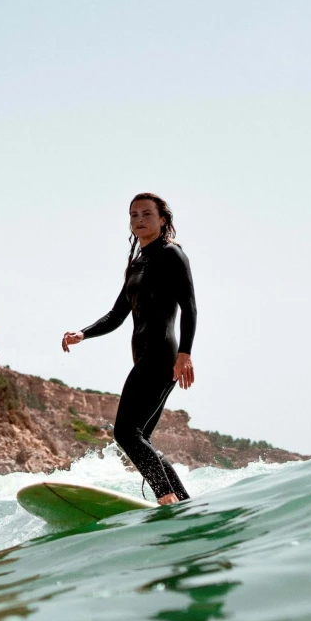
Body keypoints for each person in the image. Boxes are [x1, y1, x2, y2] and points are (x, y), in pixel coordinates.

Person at [62, 193, 197, 505]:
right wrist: (83, 333)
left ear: (163, 219)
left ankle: (166, 498)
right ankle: (183, 501)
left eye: (146, 214)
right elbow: (116, 315)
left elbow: (190, 308)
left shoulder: (172, 255)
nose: (139, 220)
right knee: (139, 437)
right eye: (133, 214)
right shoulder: (136, 264)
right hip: (144, 355)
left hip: (163, 353)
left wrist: (185, 354)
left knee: (125, 433)